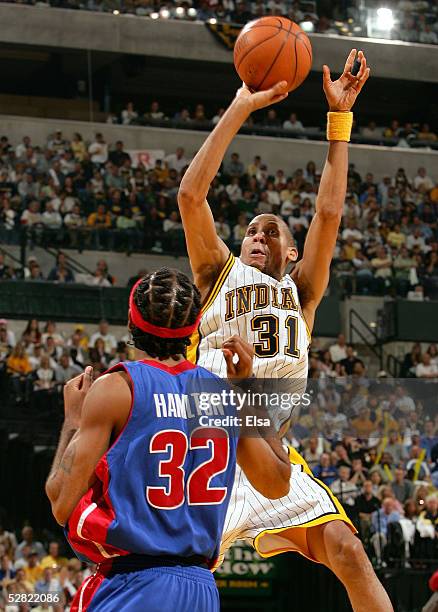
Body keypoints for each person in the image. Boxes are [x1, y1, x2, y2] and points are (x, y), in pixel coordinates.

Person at [177, 48, 392, 610]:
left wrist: (339, 123)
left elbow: (328, 214)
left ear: (291, 250)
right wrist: (240, 106)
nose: (257, 235)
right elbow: (190, 195)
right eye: (250, 229)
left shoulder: (302, 291)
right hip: (211, 449)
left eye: (271, 231)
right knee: (176, 580)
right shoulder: (217, 273)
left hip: (271, 451)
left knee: (348, 549)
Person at [46, 268, 290, 612]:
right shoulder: (223, 394)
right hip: (201, 591)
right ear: (194, 328)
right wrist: (247, 390)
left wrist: (72, 420)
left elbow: (61, 502)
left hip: (134, 583)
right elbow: (278, 482)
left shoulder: (117, 388)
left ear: (131, 321)